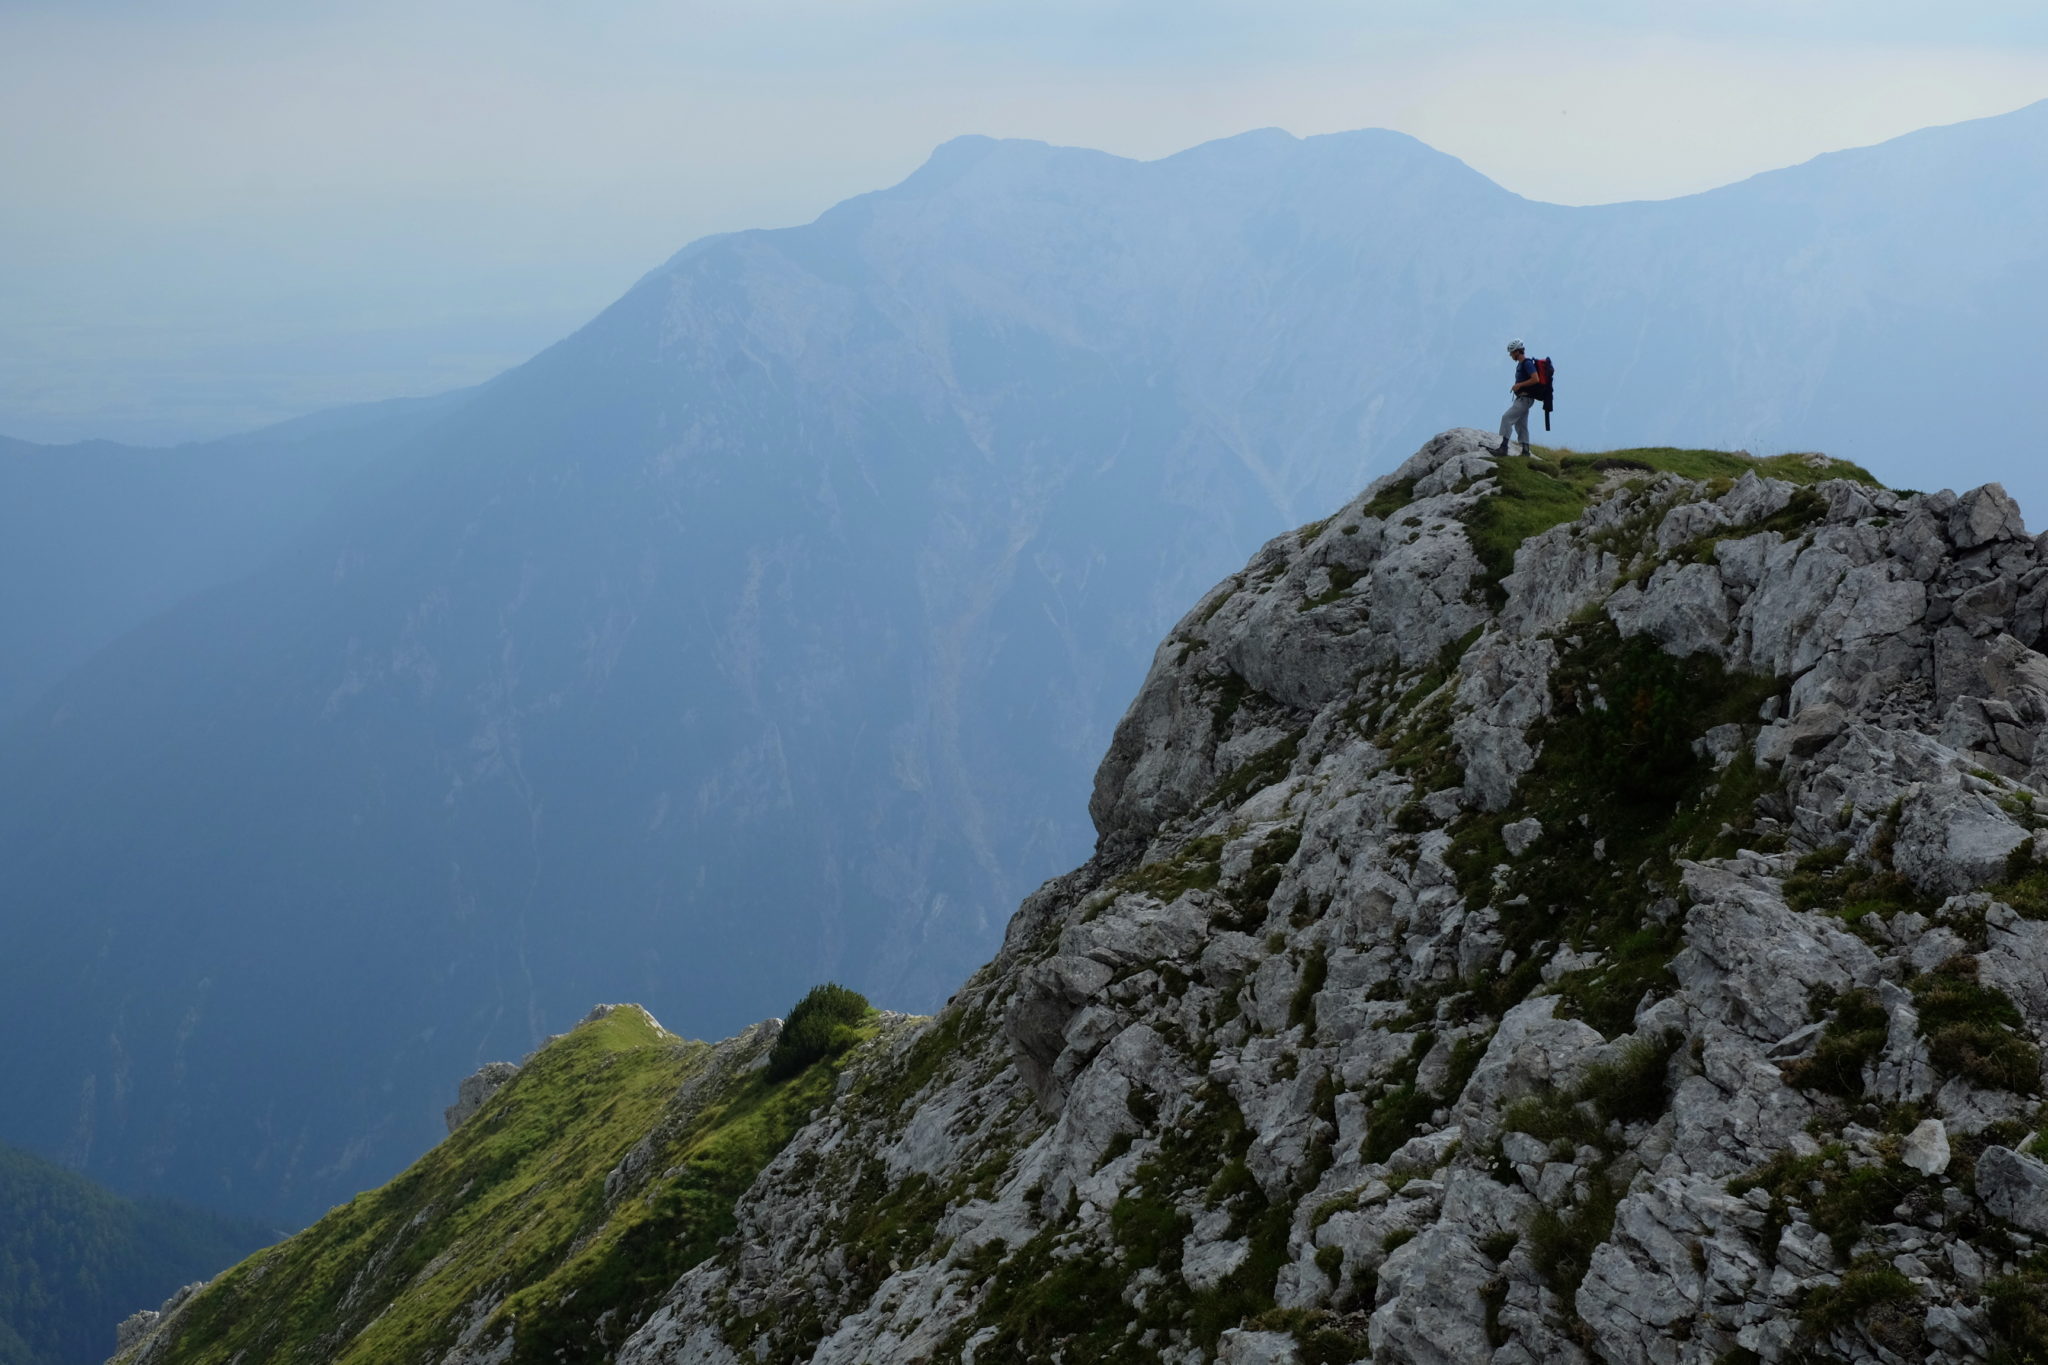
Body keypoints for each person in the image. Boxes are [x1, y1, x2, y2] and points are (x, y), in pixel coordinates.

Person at [1495, 340, 1542, 458]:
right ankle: (1525, 451)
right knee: (1521, 424)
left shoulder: (1527, 363)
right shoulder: (1522, 364)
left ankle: (1503, 447)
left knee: (1506, 418)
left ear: (1517, 351)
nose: (1510, 355)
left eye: (1511, 353)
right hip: (1524, 399)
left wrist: (1519, 385)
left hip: (1524, 399)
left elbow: (1535, 379)